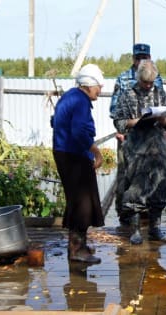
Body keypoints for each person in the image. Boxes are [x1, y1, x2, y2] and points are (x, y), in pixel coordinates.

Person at [113, 59, 166, 245]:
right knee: (135, 189)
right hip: (136, 149)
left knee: (160, 188)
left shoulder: (160, 93)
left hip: (158, 150)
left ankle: (155, 228)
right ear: (138, 78)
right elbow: (119, 122)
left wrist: (163, 121)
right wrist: (136, 121)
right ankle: (135, 229)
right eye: (145, 82)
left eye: (151, 82)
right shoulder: (127, 94)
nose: (148, 86)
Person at [52, 63, 105, 264]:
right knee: (82, 204)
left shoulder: (70, 96)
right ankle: (76, 251)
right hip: (73, 155)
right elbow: (80, 132)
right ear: (89, 85)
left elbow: (55, 121)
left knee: (78, 201)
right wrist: (97, 153)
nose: (100, 90)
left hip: (65, 152)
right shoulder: (80, 102)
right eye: (99, 86)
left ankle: (79, 246)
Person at [109, 43, 163, 226]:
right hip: (129, 136)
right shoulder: (123, 79)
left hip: (152, 137)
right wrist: (122, 131)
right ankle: (125, 216)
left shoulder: (157, 76)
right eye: (138, 57)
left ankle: (146, 215)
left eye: (144, 57)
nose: (141, 60)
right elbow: (115, 110)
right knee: (126, 176)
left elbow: (163, 105)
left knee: (153, 175)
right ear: (133, 58)